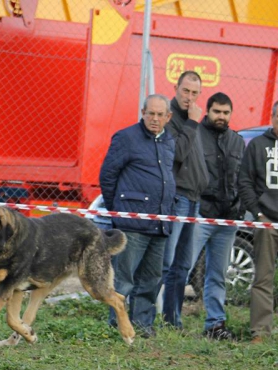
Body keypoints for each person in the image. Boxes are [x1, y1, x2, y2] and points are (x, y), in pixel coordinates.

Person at [100, 94, 175, 338]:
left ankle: (143, 326)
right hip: (131, 224)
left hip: (159, 224)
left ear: (168, 117)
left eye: (160, 114)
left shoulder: (168, 142)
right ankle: (116, 327)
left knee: (151, 279)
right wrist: (120, 211)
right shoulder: (126, 138)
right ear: (142, 112)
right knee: (123, 280)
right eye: (150, 113)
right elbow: (107, 176)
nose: (154, 118)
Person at [190, 92, 244, 340]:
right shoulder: (195, 136)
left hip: (228, 218)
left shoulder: (237, 141)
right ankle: (166, 320)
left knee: (217, 274)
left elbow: (244, 179)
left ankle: (215, 325)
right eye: (216, 111)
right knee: (180, 269)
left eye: (225, 112)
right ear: (207, 111)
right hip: (200, 214)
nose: (221, 116)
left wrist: (240, 207)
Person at [161, 70, 209, 329]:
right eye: (185, 91)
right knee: (166, 265)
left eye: (194, 93)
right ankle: (144, 318)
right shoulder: (169, 118)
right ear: (176, 88)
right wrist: (191, 122)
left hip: (194, 199)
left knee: (182, 267)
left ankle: (172, 321)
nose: (190, 97)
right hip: (177, 198)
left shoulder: (193, 121)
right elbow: (177, 154)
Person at [238, 100, 278, 344]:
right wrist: (258, 213)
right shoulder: (258, 145)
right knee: (263, 277)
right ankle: (260, 332)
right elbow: (245, 181)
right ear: (273, 117)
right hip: (267, 221)